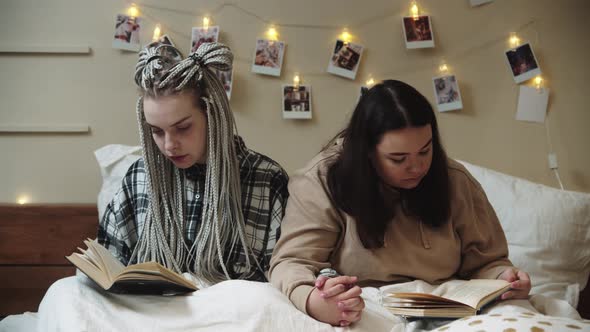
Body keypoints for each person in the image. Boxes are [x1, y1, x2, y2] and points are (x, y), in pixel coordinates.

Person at [269, 80, 531, 327]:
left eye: (425, 151)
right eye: (398, 158)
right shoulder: (322, 180)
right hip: (366, 305)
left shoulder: (454, 178)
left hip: (450, 303)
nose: (417, 167)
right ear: (367, 153)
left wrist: (503, 277)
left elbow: (487, 262)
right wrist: (316, 301)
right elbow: (291, 262)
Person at [98, 41, 289, 284]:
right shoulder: (138, 178)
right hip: (151, 319)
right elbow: (108, 266)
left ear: (212, 115)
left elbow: (285, 277)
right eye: (156, 131)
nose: (169, 145)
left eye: (183, 128)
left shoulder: (267, 179)